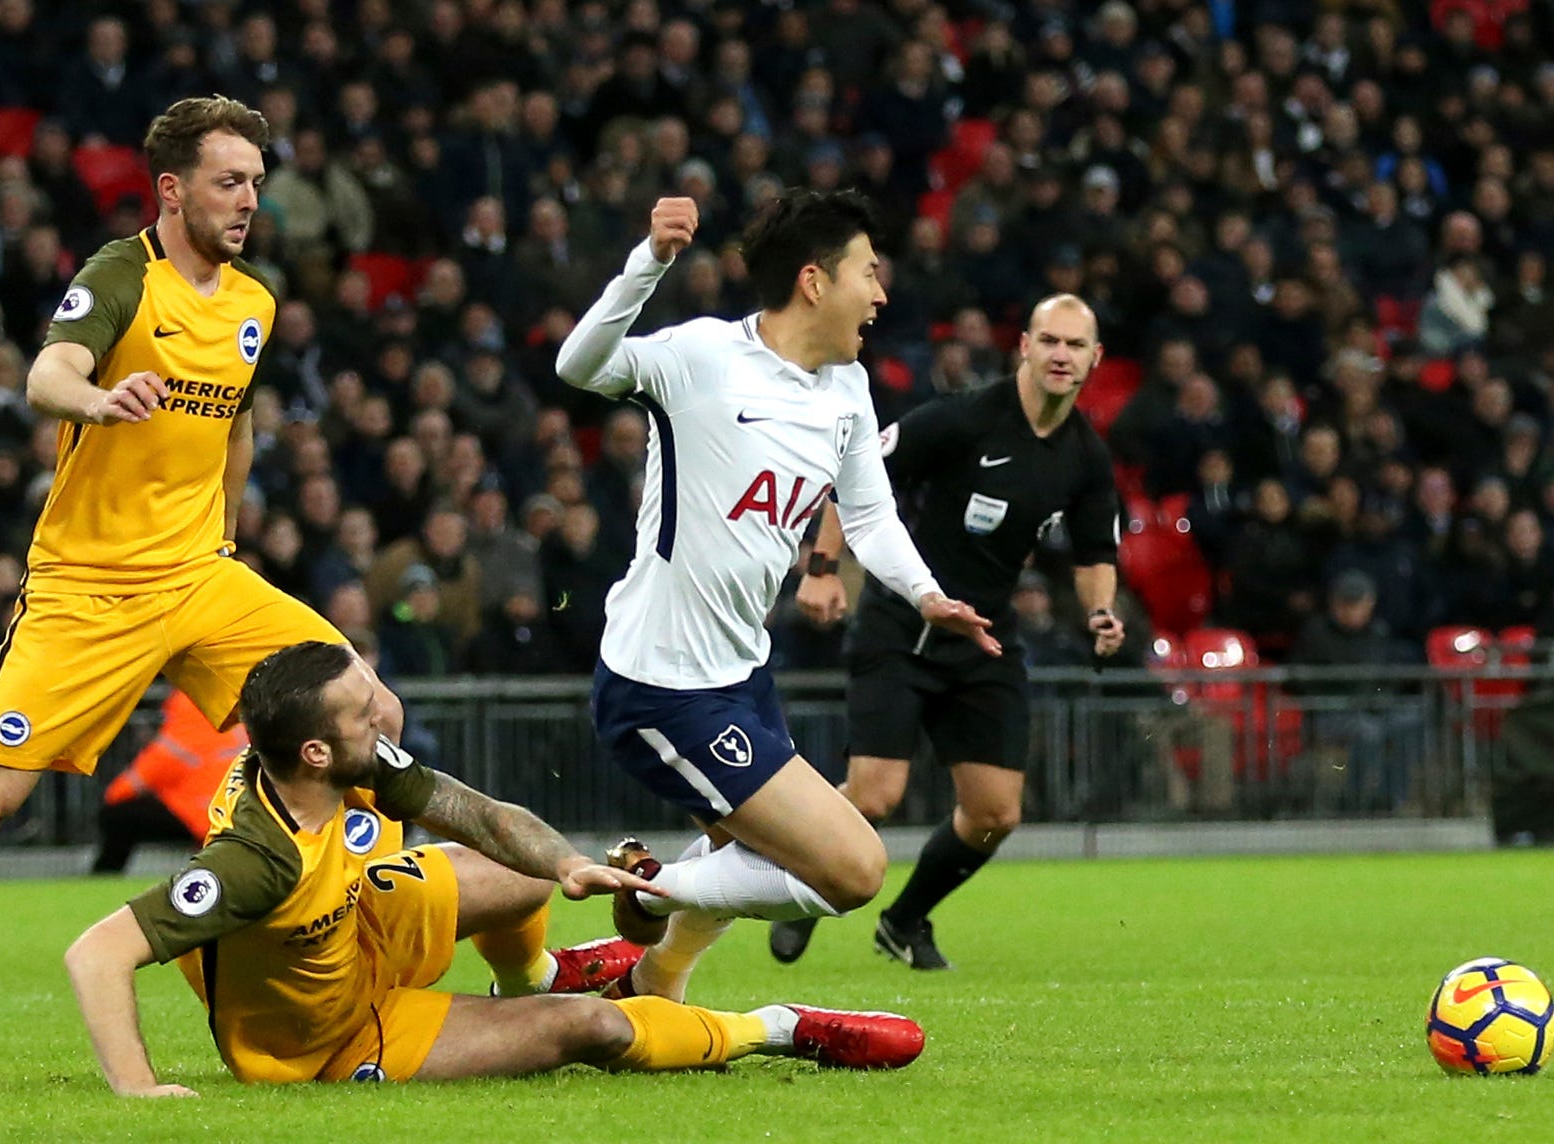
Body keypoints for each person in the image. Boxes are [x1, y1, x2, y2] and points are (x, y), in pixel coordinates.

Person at [0, 96, 406, 1070]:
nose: (248, 201)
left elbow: (234, 421)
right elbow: (45, 375)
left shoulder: (253, 302)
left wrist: (225, 532)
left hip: (196, 575)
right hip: (88, 589)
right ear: (173, 188)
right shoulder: (119, 276)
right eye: (230, 182)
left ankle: (387, 974)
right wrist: (99, 399)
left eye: (258, 184)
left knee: (372, 711)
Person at [64, 642, 924, 1094]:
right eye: (367, 709)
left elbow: (478, 815)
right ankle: (780, 1027)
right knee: (588, 1030)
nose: (387, 711)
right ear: (317, 750)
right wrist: (140, 1092)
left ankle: (543, 972)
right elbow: (95, 954)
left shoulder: (351, 765)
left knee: (519, 868)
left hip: (357, 923)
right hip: (326, 1034)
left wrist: (567, 864)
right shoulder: (256, 860)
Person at [555, 190, 997, 1003]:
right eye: (869, 272)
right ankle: (637, 892)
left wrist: (926, 594)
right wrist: (648, 260)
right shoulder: (701, 358)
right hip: (662, 681)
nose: (881, 293)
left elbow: (867, 514)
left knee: (742, 854)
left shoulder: (846, 389)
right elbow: (576, 365)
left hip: (740, 673)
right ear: (814, 282)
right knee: (853, 869)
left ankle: (652, 982)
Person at [770, 294, 1126, 970]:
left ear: (1094, 359)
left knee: (994, 814)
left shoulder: (1084, 457)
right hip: (899, 623)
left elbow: (1094, 555)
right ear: (1022, 345)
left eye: (1074, 346)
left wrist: (1099, 613)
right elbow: (858, 476)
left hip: (983, 638)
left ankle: (903, 922)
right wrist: (820, 568)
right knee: (874, 796)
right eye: (1047, 340)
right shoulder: (963, 418)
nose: (1059, 354)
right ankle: (797, 887)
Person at [91, 689, 250, 875]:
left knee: (115, 816)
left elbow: (134, 782)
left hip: (198, 815)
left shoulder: (184, 731)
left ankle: (104, 875)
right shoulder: (239, 728)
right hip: (239, 811)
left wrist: (116, 795)